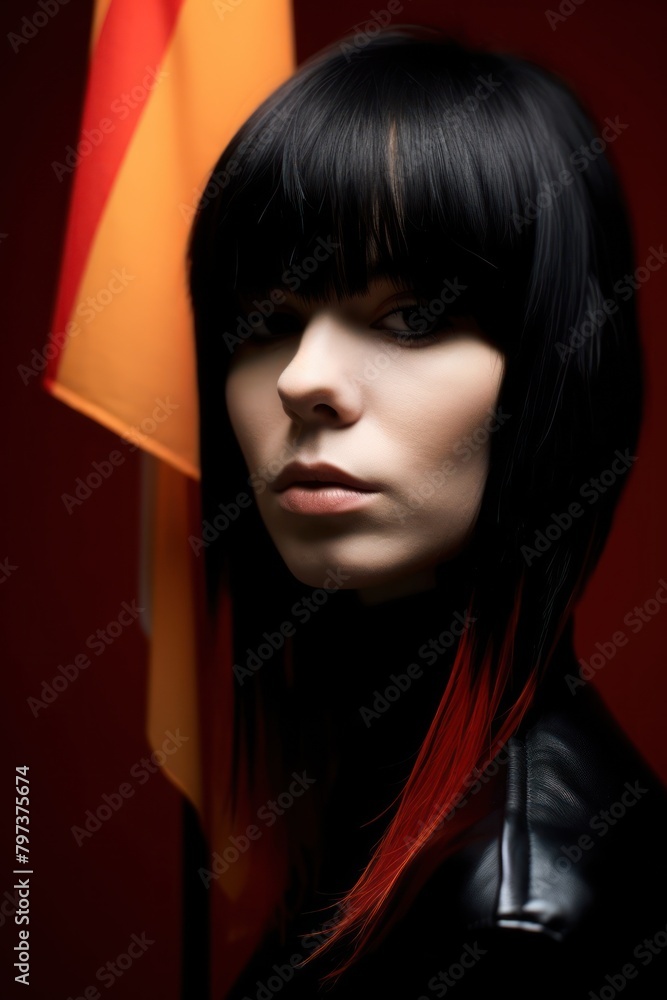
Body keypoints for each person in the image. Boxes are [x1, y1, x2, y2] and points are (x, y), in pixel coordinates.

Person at [187, 24, 667, 999]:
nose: (301, 380)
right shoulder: (366, 791)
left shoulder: (515, 922)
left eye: (409, 317)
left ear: (551, 374)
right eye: (265, 320)